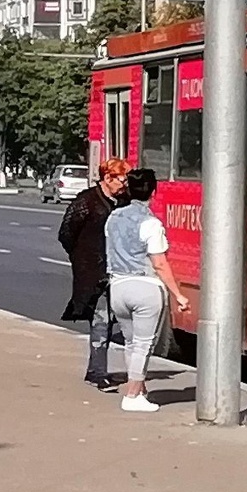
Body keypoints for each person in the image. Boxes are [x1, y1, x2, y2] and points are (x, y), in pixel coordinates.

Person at [104, 168, 189, 413]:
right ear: (153, 192)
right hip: (145, 288)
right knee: (143, 344)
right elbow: (159, 263)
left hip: (118, 287)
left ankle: (139, 390)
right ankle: (132, 395)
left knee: (131, 343)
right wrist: (178, 295)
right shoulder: (151, 223)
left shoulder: (114, 218)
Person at [58, 158, 129, 390]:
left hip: (116, 269)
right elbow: (66, 233)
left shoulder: (122, 202)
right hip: (93, 272)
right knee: (101, 320)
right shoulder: (87, 201)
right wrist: (82, 257)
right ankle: (98, 373)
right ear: (108, 178)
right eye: (121, 179)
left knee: (110, 321)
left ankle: (95, 369)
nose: (125, 184)